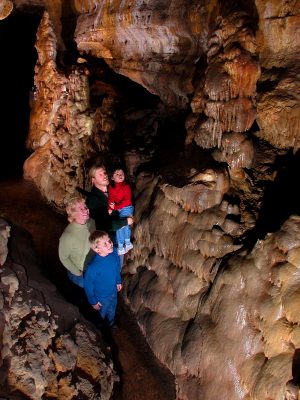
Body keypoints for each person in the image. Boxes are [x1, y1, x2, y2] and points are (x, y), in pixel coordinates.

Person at [84, 230, 122, 328]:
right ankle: (99, 327)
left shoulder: (113, 253)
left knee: (112, 308)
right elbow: (88, 284)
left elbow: (117, 268)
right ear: (97, 249)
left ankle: (111, 322)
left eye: (109, 240)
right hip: (101, 296)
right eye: (105, 244)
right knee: (101, 312)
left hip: (113, 291)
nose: (109, 244)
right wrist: (93, 301)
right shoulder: (93, 266)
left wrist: (118, 281)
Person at [86, 164, 134, 240]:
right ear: (93, 180)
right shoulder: (93, 200)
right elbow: (102, 225)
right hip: (110, 239)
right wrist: (125, 222)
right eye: (100, 175)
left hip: (124, 233)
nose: (104, 176)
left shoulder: (113, 189)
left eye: (105, 173)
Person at [58, 196, 95, 288]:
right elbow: (63, 257)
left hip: (92, 265)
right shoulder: (68, 236)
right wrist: (77, 272)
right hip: (79, 271)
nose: (85, 210)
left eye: (85, 207)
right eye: (81, 209)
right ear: (74, 214)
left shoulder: (91, 222)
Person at [108, 167, 134, 255]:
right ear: (112, 177)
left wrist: (114, 208)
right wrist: (110, 208)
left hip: (127, 207)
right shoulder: (111, 187)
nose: (120, 175)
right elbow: (111, 199)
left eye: (121, 174)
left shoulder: (126, 186)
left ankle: (124, 244)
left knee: (122, 225)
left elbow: (127, 201)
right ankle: (125, 244)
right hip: (119, 209)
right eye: (117, 174)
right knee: (121, 225)